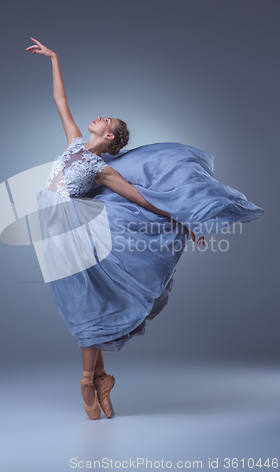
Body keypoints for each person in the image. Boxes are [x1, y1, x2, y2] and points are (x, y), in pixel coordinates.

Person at [26, 38, 264, 420]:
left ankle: (88, 380)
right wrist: (53, 59)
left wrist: (185, 220)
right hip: (52, 228)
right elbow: (60, 100)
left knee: (88, 305)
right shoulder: (73, 143)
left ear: (110, 138)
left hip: (74, 229)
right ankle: (100, 378)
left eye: (109, 121)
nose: (101, 116)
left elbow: (142, 200)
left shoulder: (103, 170)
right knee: (86, 303)